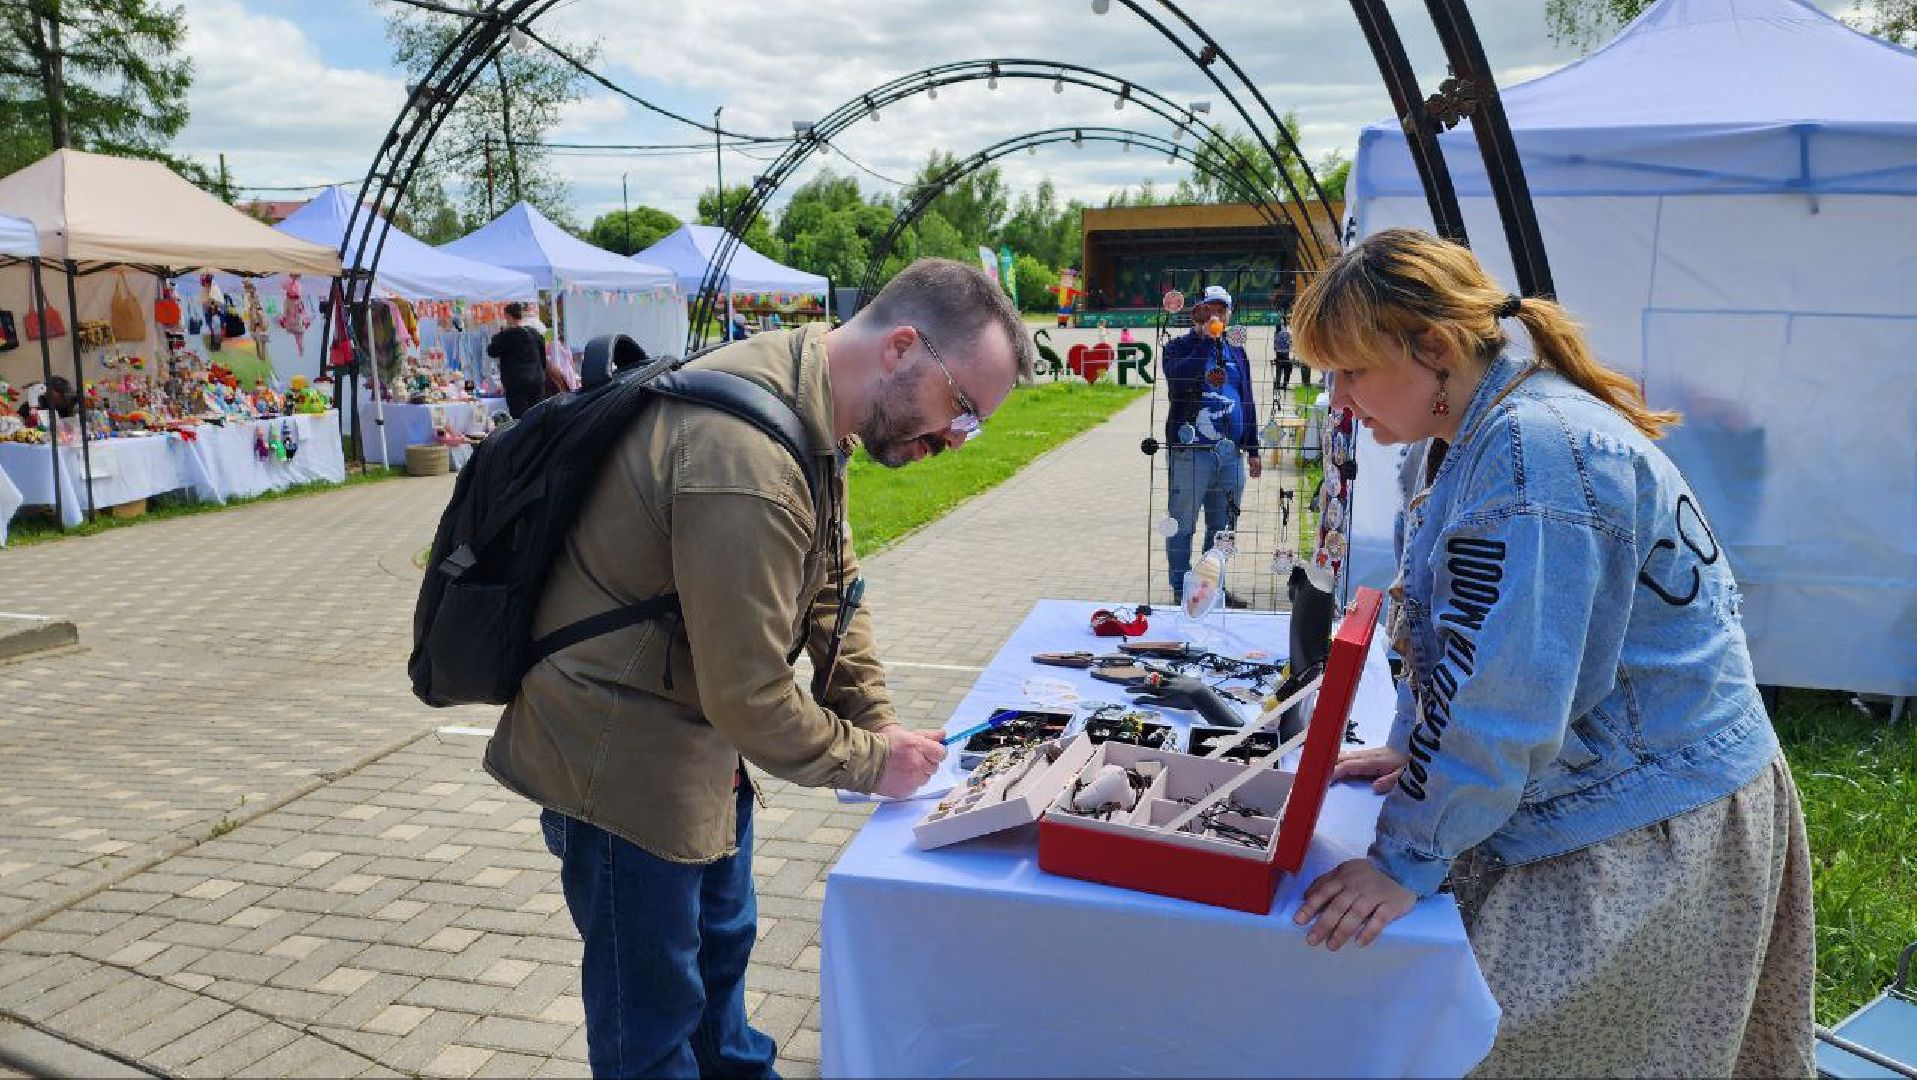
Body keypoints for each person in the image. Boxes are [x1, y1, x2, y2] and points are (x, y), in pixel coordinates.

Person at [485, 257, 1033, 1078]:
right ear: (901, 348)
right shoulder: (746, 461)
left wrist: (873, 715)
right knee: (653, 1030)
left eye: (973, 424)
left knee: (720, 979)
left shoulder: (810, 400)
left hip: (697, 745)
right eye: (961, 408)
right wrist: (872, 761)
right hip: (620, 767)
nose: (955, 438)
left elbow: (832, 583)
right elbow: (750, 698)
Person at [1286, 228, 1814, 1077]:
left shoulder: (1531, 459)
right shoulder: (1474, 430)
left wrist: (1403, 861)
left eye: (1350, 371)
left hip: (1647, 821)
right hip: (1619, 787)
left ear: (1434, 347)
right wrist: (1413, 743)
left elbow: (1507, 696)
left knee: (1483, 1048)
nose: (1340, 400)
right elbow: (1452, 627)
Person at [1160, 284, 1260, 601]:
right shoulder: (1178, 347)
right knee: (1182, 523)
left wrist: (1253, 448)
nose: (1216, 316)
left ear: (1229, 315)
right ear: (1197, 314)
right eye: (1209, 310)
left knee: (1223, 528)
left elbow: (1247, 399)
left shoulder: (1237, 351)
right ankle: (1181, 590)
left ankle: (1210, 590)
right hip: (1191, 454)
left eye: (1221, 310)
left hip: (1230, 455)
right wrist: (1205, 341)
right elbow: (1178, 382)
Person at [487, 303, 546, 419]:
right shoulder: (535, 334)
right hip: (537, 380)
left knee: (520, 418)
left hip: (516, 383)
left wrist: (497, 335)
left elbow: (491, 351)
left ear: (508, 316)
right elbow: (543, 359)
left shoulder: (505, 336)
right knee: (537, 416)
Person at [1274, 318, 1296, 394]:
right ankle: (1285, 384)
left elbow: (1275, 347)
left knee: (1279, 368)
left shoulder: (1276, 334)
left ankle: (1278, 384)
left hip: (1279, 354)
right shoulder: (1286, 334)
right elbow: (1291, 344)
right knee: (1288, 367)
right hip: (1284, 354)